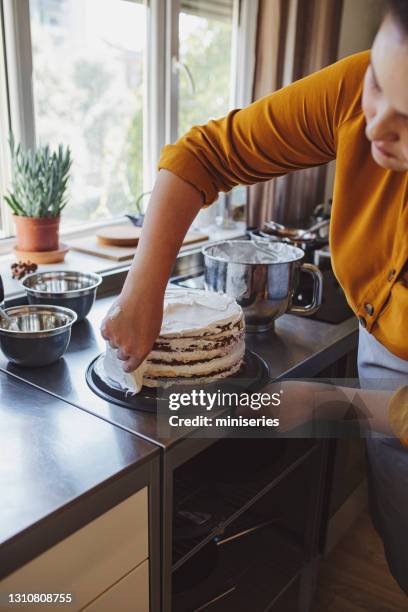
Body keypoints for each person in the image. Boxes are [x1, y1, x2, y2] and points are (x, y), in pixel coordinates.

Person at [101, 0, 408, 594]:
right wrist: (145, 288)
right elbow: (203, 155)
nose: (372, 127)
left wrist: (328, 405)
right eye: (377, 82)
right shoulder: (358, 96)